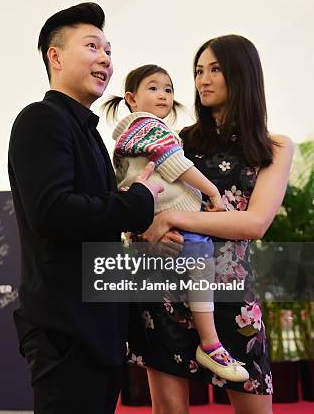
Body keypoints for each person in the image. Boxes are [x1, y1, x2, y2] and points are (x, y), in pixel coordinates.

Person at [7, 2, 164, 414]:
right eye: (92, 46)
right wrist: (139, 203)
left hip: (100, 334)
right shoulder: (40, 120)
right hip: (66, 336)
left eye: (109, 51)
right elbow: (54, 213)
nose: (105, 60)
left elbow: (98, 224)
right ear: (54, 57)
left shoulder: (91, 135)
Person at [128, 35, 293, 414]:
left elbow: (255, 222)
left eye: (215, 69)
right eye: (199, 71)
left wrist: (175, 216)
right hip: (166, 288)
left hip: (232, 297)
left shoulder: (275, 147)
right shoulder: (174, 142)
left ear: (242, 75)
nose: (203, 79)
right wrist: (150, 233)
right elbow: (136, 200)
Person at [103, 64, 249, 382]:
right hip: (175, 218)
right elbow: (174, 163)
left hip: (158, 222)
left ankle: (207, 342)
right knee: (200, 266)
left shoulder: (129, 135)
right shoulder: (148, 126)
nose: (164, 95)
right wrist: (212, 192)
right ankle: (210, 344)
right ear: (131, 98)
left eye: (168, 89)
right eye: (153, 88)